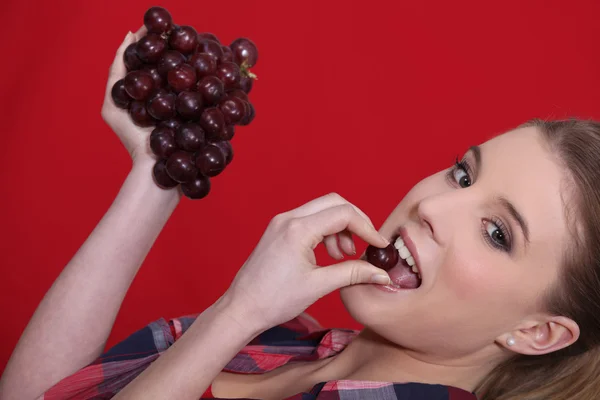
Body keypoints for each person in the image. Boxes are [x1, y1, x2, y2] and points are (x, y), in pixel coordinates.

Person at [2, 27, 600, 400]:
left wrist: (234, 312)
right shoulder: (287, 340)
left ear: (536, 332)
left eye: (497, 233)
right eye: (463, 173)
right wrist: (154, 178)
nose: (434, 204)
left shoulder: (248, 324)